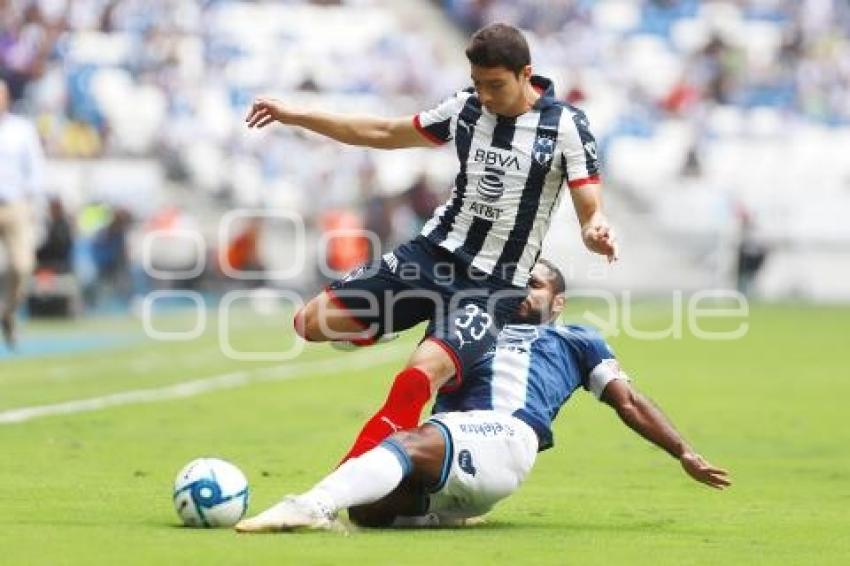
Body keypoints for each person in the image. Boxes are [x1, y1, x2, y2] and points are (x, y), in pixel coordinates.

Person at [245, 23, 618, 462]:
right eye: (478, 84)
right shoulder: (466, 107)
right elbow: (384, 132)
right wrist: (296, 115)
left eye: (495, 85)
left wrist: (595, 227)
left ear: (525, 74)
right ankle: (383, 327)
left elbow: (588, 202)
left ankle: (349, 482)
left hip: (492, 284)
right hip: (429, 255)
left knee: (417, 377)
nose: (486, 96)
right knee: (310, 324)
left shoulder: (566, 126)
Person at [235, 260, 731, 533]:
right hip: (461, 451)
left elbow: (629, 401)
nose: (520, 290)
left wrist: (683, 451)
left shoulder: (577, 340)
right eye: (517, 280)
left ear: (557, 303)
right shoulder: (470, 322)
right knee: (371, 511)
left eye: (533, 285)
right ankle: (444, 515)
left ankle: (310, 506)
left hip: (509, 436)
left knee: (402, 448)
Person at [0, 78, 45, 348]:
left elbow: (36, 169)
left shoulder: (21, 130)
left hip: (15, 205)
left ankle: (9, 312)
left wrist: (33, 205)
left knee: (22, 266)